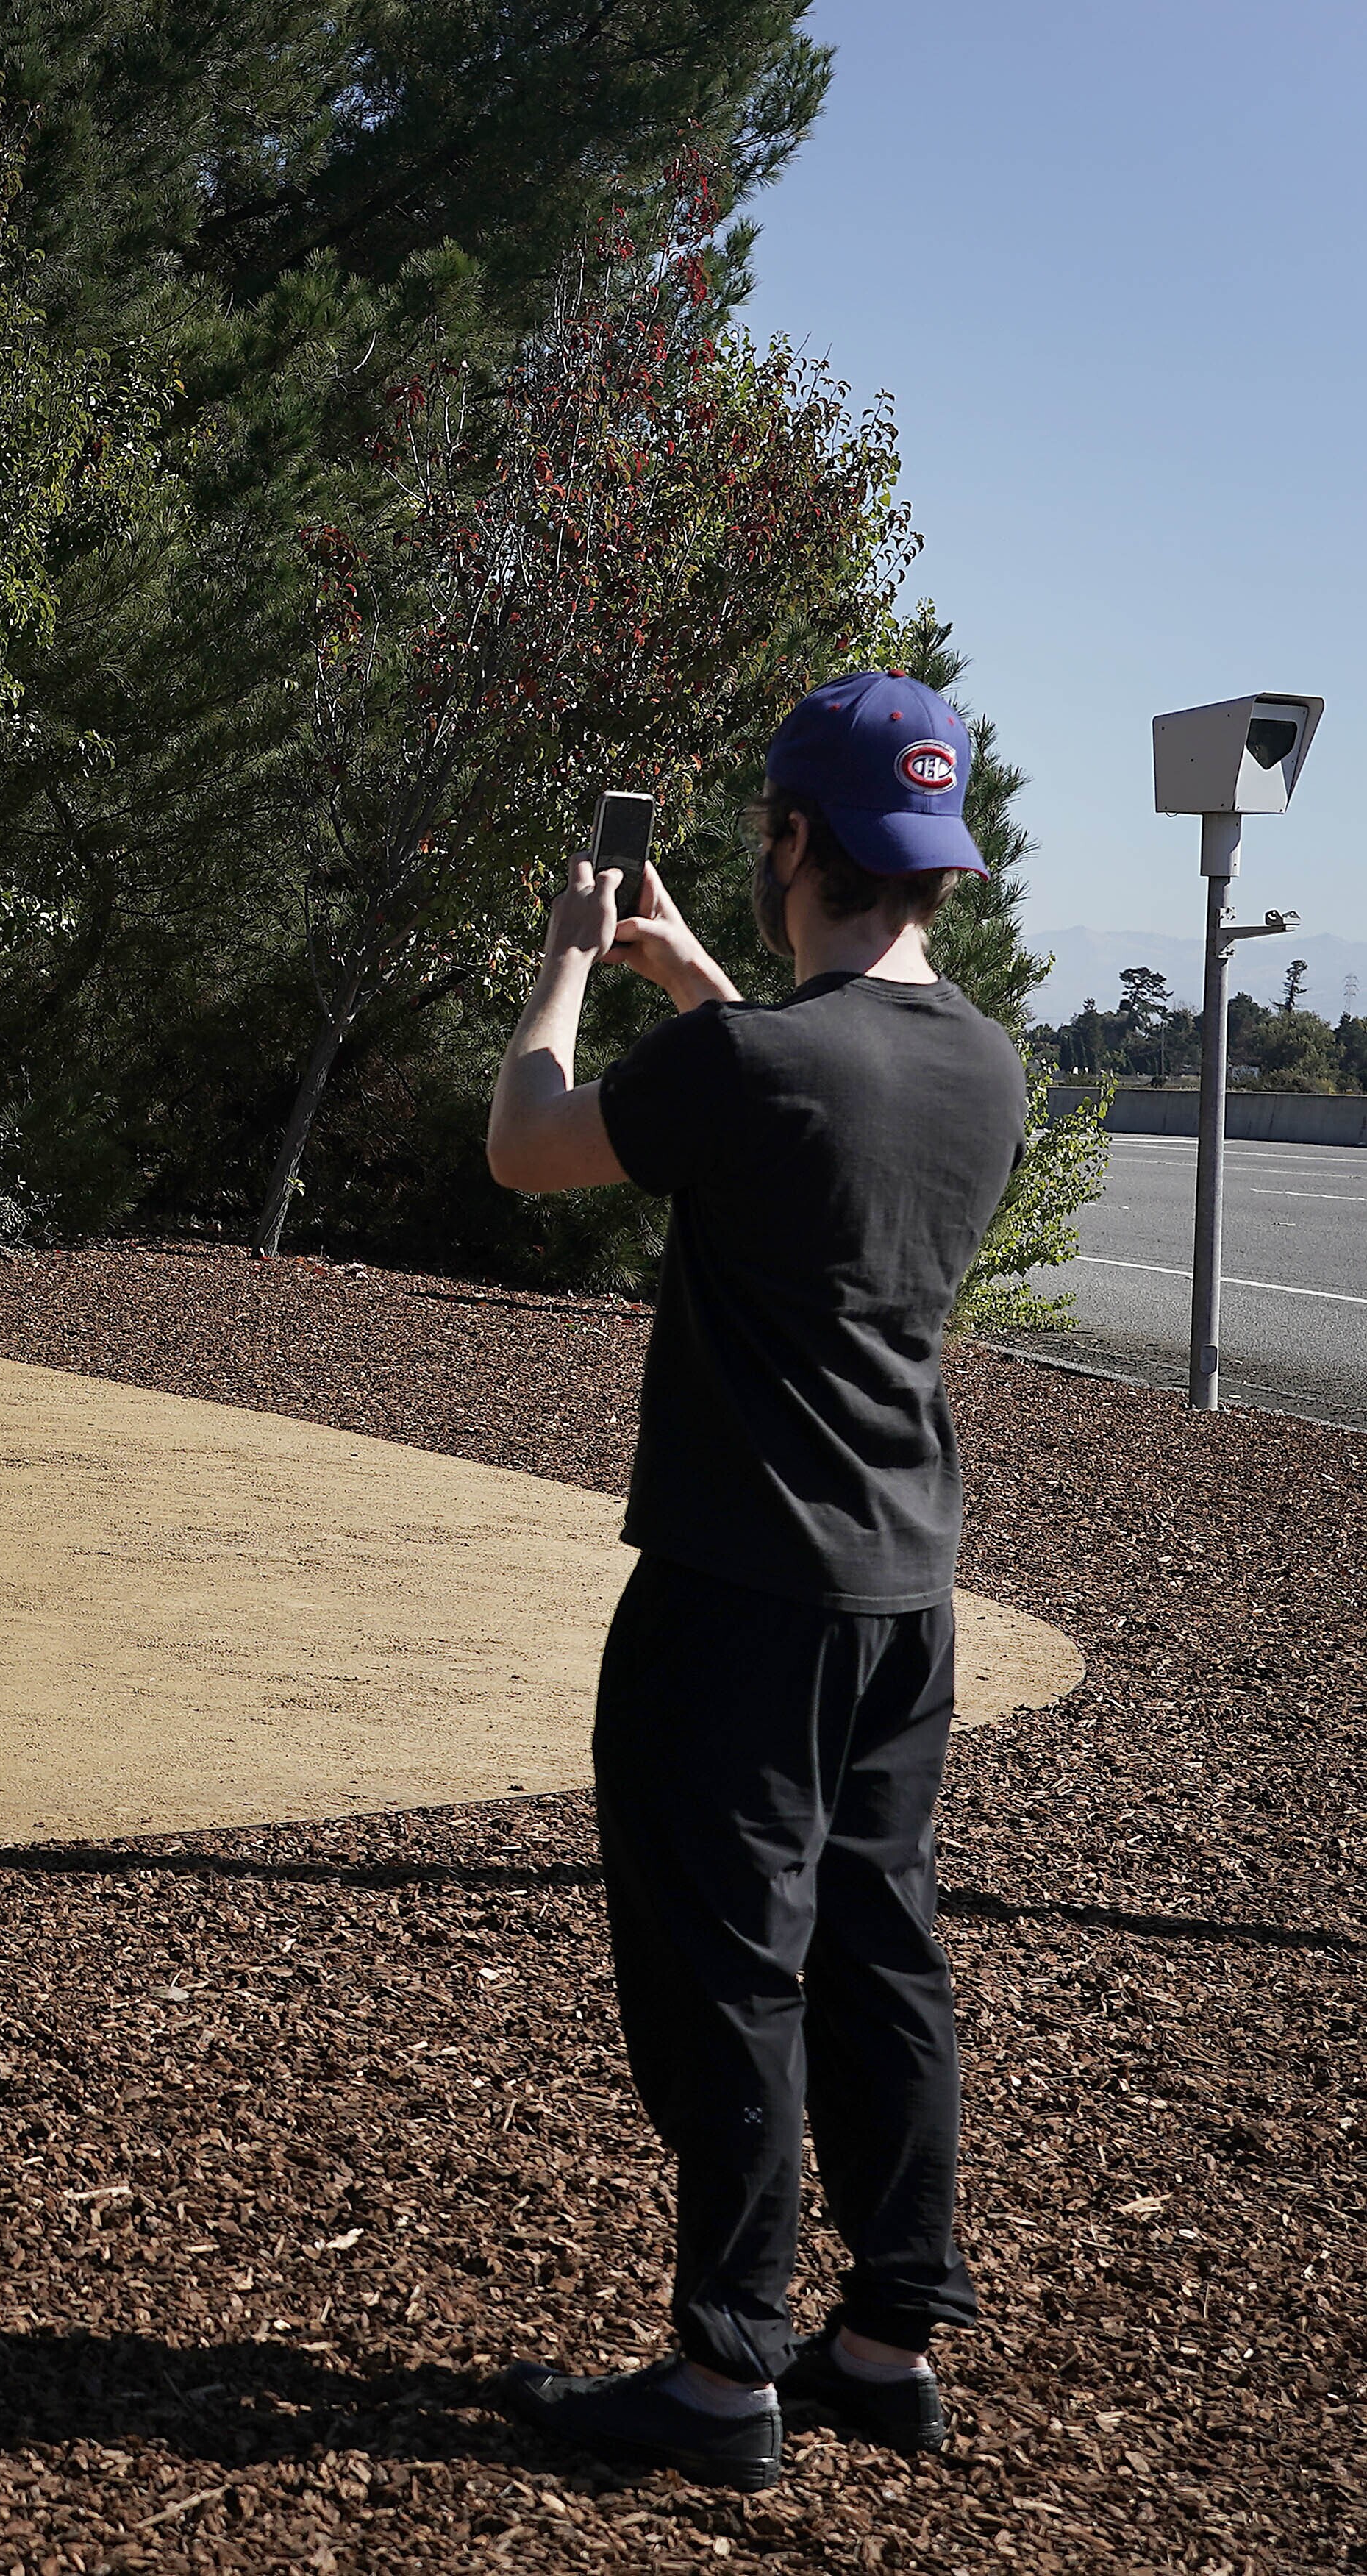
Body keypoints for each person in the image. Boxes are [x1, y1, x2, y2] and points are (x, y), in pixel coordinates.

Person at [479, 670, 1031, 2491]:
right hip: (901, 1598)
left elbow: (526, 1145)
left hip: (733, 1598)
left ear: (794, 837)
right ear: (933, 860)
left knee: (729, 1976)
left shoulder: (752, 1063)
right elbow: (812, 1098)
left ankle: (721, 2377)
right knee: (881, 1949)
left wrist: (570, 960)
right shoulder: (977, 1062)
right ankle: (884, 2340)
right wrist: (699, 981)